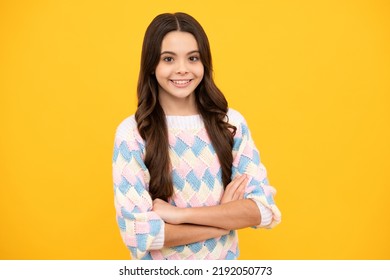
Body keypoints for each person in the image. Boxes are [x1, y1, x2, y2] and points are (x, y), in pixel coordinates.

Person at [112, 12, 281, 260]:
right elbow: (138, 234)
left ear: (204, 63)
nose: (182, 69)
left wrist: (180, 215)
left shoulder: (230, 123)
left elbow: (263, 211)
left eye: (193, 58)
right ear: (151, 66)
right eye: (168, 59)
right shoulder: (132, 133)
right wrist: (225, 216)